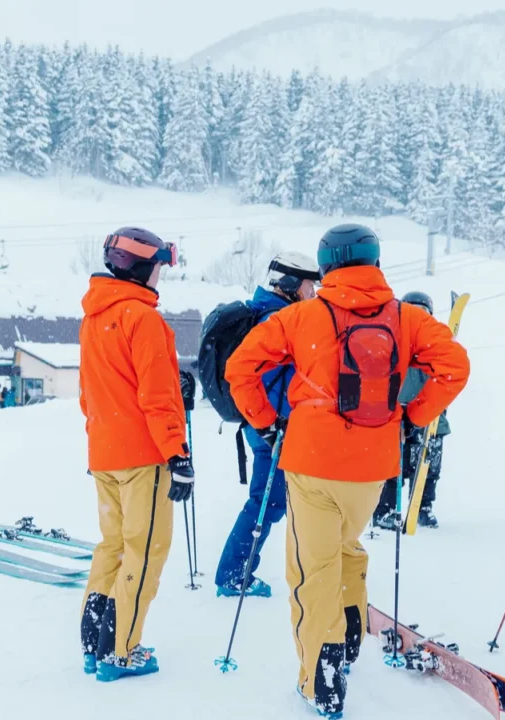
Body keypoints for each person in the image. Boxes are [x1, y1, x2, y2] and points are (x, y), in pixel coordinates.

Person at [225, 224, 470, 718]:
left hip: (311, 461)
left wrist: (268, 424)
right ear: (374, 262)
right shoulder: (405, 317)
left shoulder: (300, 316)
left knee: (311, 570)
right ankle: (351, 635)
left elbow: (240, 369)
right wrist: (414, 414)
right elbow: (455, 365)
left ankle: (322, 678)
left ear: (328, 263)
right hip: (375, 465)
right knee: (347, 547)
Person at [77, 226, 194, 682]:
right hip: (144, 456)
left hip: (105, 452)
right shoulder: (143, 319)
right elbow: (156, 397)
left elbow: (91, 393)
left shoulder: (93, 317)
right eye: (160, 268)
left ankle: (94, 643)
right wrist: (177, 455)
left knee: (112, 546)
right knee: (145, 552)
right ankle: (121, 650)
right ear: (145, 269)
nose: (161, 277)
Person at [213, 251, 321, 598]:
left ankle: (239, 571)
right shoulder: (277, 321)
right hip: (273, 428)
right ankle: (233, 575)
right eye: (309, 285)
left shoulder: (268, 312)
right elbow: (272, 380)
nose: (313, 292)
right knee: (268, 503)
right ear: (292, 285)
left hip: (264, 425)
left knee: (276, 501)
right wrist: (273, 426)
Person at [372, 290, 452, 530]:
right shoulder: (391, 342)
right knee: (392, 464)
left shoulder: (433, 344)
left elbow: (447, 377)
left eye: (423, 312)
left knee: (429, 462)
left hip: (428, 414)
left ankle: (423, 506)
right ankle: (385, 509)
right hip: (396, 413)